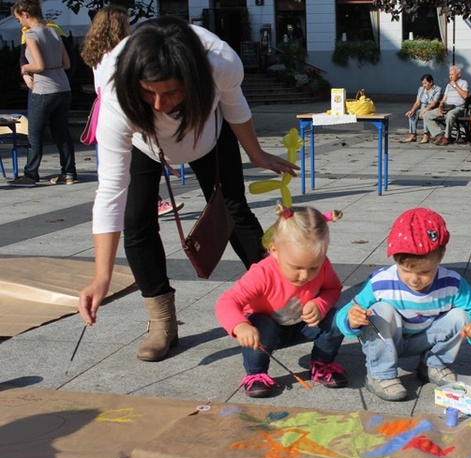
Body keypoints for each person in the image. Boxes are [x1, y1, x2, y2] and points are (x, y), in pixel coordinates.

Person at [77, 17, 298, 362]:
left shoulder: (220, 62)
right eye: (148, 92)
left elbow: (236, 107)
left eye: (171, 92)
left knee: (233, 209)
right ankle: (162, 321)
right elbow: (110, 191)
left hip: (208, 136)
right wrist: (101, 276)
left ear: (193, 79)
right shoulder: (116, 91)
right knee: (137, 219)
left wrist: (255, 153)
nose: (159, 104)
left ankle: (280, 295)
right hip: (146, 145)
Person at [335, 208, 471, 401]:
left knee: (461, 316)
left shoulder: (452, 284)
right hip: (387, 339)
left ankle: (433, 365)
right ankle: (380, 374)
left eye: (425, 272)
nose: (414, 280)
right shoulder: (381, 282)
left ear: (441, 256)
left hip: (426, 339)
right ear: (395, 259)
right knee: (380, 311)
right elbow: (344, 312)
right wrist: (351, 319)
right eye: (406, 270)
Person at [215, 205, 347, 398]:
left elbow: (333, 288)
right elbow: (226, 301)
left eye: (313, 268)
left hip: (303, 325)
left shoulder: (323, 265)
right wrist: (240, 326)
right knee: (261, 324)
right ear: (274, 251)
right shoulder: (262, 273)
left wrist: (321, 304)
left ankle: (322, 364)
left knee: (337, 318)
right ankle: (256, 373)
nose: (305, 276)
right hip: (264, 333)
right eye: (296, 267)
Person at [81, 7, 183, 218]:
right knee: (136, 155)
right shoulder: (120, 53)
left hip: (103, 107)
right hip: (122, 105)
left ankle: (123, 203)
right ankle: (150, 202)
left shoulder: (96, 52)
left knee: (113, 161)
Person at [8, 0, 76, 187]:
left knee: (34, 133)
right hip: (63, 87)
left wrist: (24, 68)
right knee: (61, 132)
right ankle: (68, 172)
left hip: (44, 89)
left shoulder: (31, 35)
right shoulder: (54, 31)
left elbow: (39, 65)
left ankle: (30, 175)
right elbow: (67, 64)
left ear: (25, 14)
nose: (19, 23)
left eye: (18, 18)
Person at [423, 66, 469, 146]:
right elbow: (444, 99)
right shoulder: (448, 85)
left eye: (452, 74)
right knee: (427, 115)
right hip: (446, 107)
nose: (450, 76)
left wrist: (455, 86)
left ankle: (447, 137)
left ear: (459, 75)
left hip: (458, 108)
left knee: (450, 115)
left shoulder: (463, 83)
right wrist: (440, 108)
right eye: (450, 74)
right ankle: (439, 134)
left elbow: (465, 96)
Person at [403, 74, 442, 144]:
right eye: (423, 83)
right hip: (422, 107)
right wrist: (412, 110)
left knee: (425, 114)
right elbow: (417, 102)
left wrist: (424, 110)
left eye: (425, 83)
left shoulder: (437, 89)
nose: (424, 85)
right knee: (412, 114)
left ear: (431, 82)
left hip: (432, 108)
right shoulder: (421, 89)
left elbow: (434, 103)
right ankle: (413, 134)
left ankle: (426, 135)